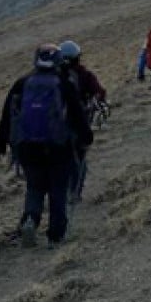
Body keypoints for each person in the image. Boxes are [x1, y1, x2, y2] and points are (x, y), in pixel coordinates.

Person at [0, 44, 93, 249]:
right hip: (58, 146)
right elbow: (77, 114)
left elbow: (8, 115)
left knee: (35, 186)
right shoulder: (64, 83)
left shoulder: (22, 83)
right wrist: (86, 137)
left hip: (27, 147)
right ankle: (55, 236)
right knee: (58, 188)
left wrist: (1, 142)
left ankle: (31, 220)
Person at [58, 40, 106, 207]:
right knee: (79, 158)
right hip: (80, 125)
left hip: (54, 128)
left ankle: (61, 191)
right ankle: (75, 192)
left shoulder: (51, 77)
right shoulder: (85, 75)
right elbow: (100, 93)